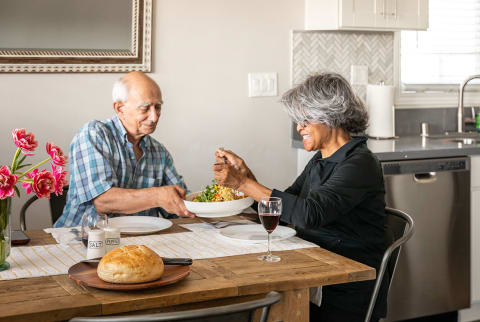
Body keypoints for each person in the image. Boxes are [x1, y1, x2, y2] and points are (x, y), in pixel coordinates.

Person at [213, 72, 388, 322]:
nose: (299, 127)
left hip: (345, 284)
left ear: (330, 115)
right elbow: (286, 210)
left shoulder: (359, 163)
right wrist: (246, 179)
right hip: (313, 265)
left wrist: (244, 183)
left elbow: (308, 214)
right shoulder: (321, 159)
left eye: (305, 119)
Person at [55, 72, 194, 227]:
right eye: (145, 108)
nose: (154, 117)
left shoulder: (159, 152)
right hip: (81, 239)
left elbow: (184, 207)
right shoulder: (94, 134)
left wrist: (224, 186)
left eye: (158, 107)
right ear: (120, 108)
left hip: (140, 243)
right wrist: (157, 195)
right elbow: (102, 201)